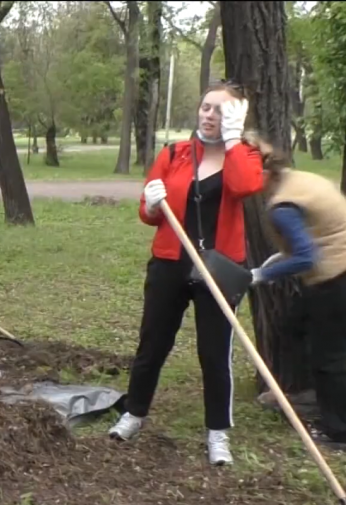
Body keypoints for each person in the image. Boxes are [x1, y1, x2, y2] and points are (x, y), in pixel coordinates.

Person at [108, 81, 265, 466]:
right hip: (169, 262)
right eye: (207, 107)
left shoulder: (245, 155)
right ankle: (134, 413)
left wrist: (232, 140)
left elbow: (246, 186)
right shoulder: (175, 153)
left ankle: (217, 434)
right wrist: (150, 203)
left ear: (237, 118)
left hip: (219, 268)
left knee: (214, 354)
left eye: (222, 111)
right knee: (152, 344)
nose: (210, 115)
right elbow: (147, 215)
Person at [248, 134, 346, 446]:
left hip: (335, 277)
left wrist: (260, 274)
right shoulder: (297, 179)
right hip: (336, 268)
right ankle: (311, 394)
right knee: (293, 326)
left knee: (329, 355)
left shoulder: (282, 205)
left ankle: (337, 431)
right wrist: (283, 255)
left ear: (264, 173)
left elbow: (307, 255)